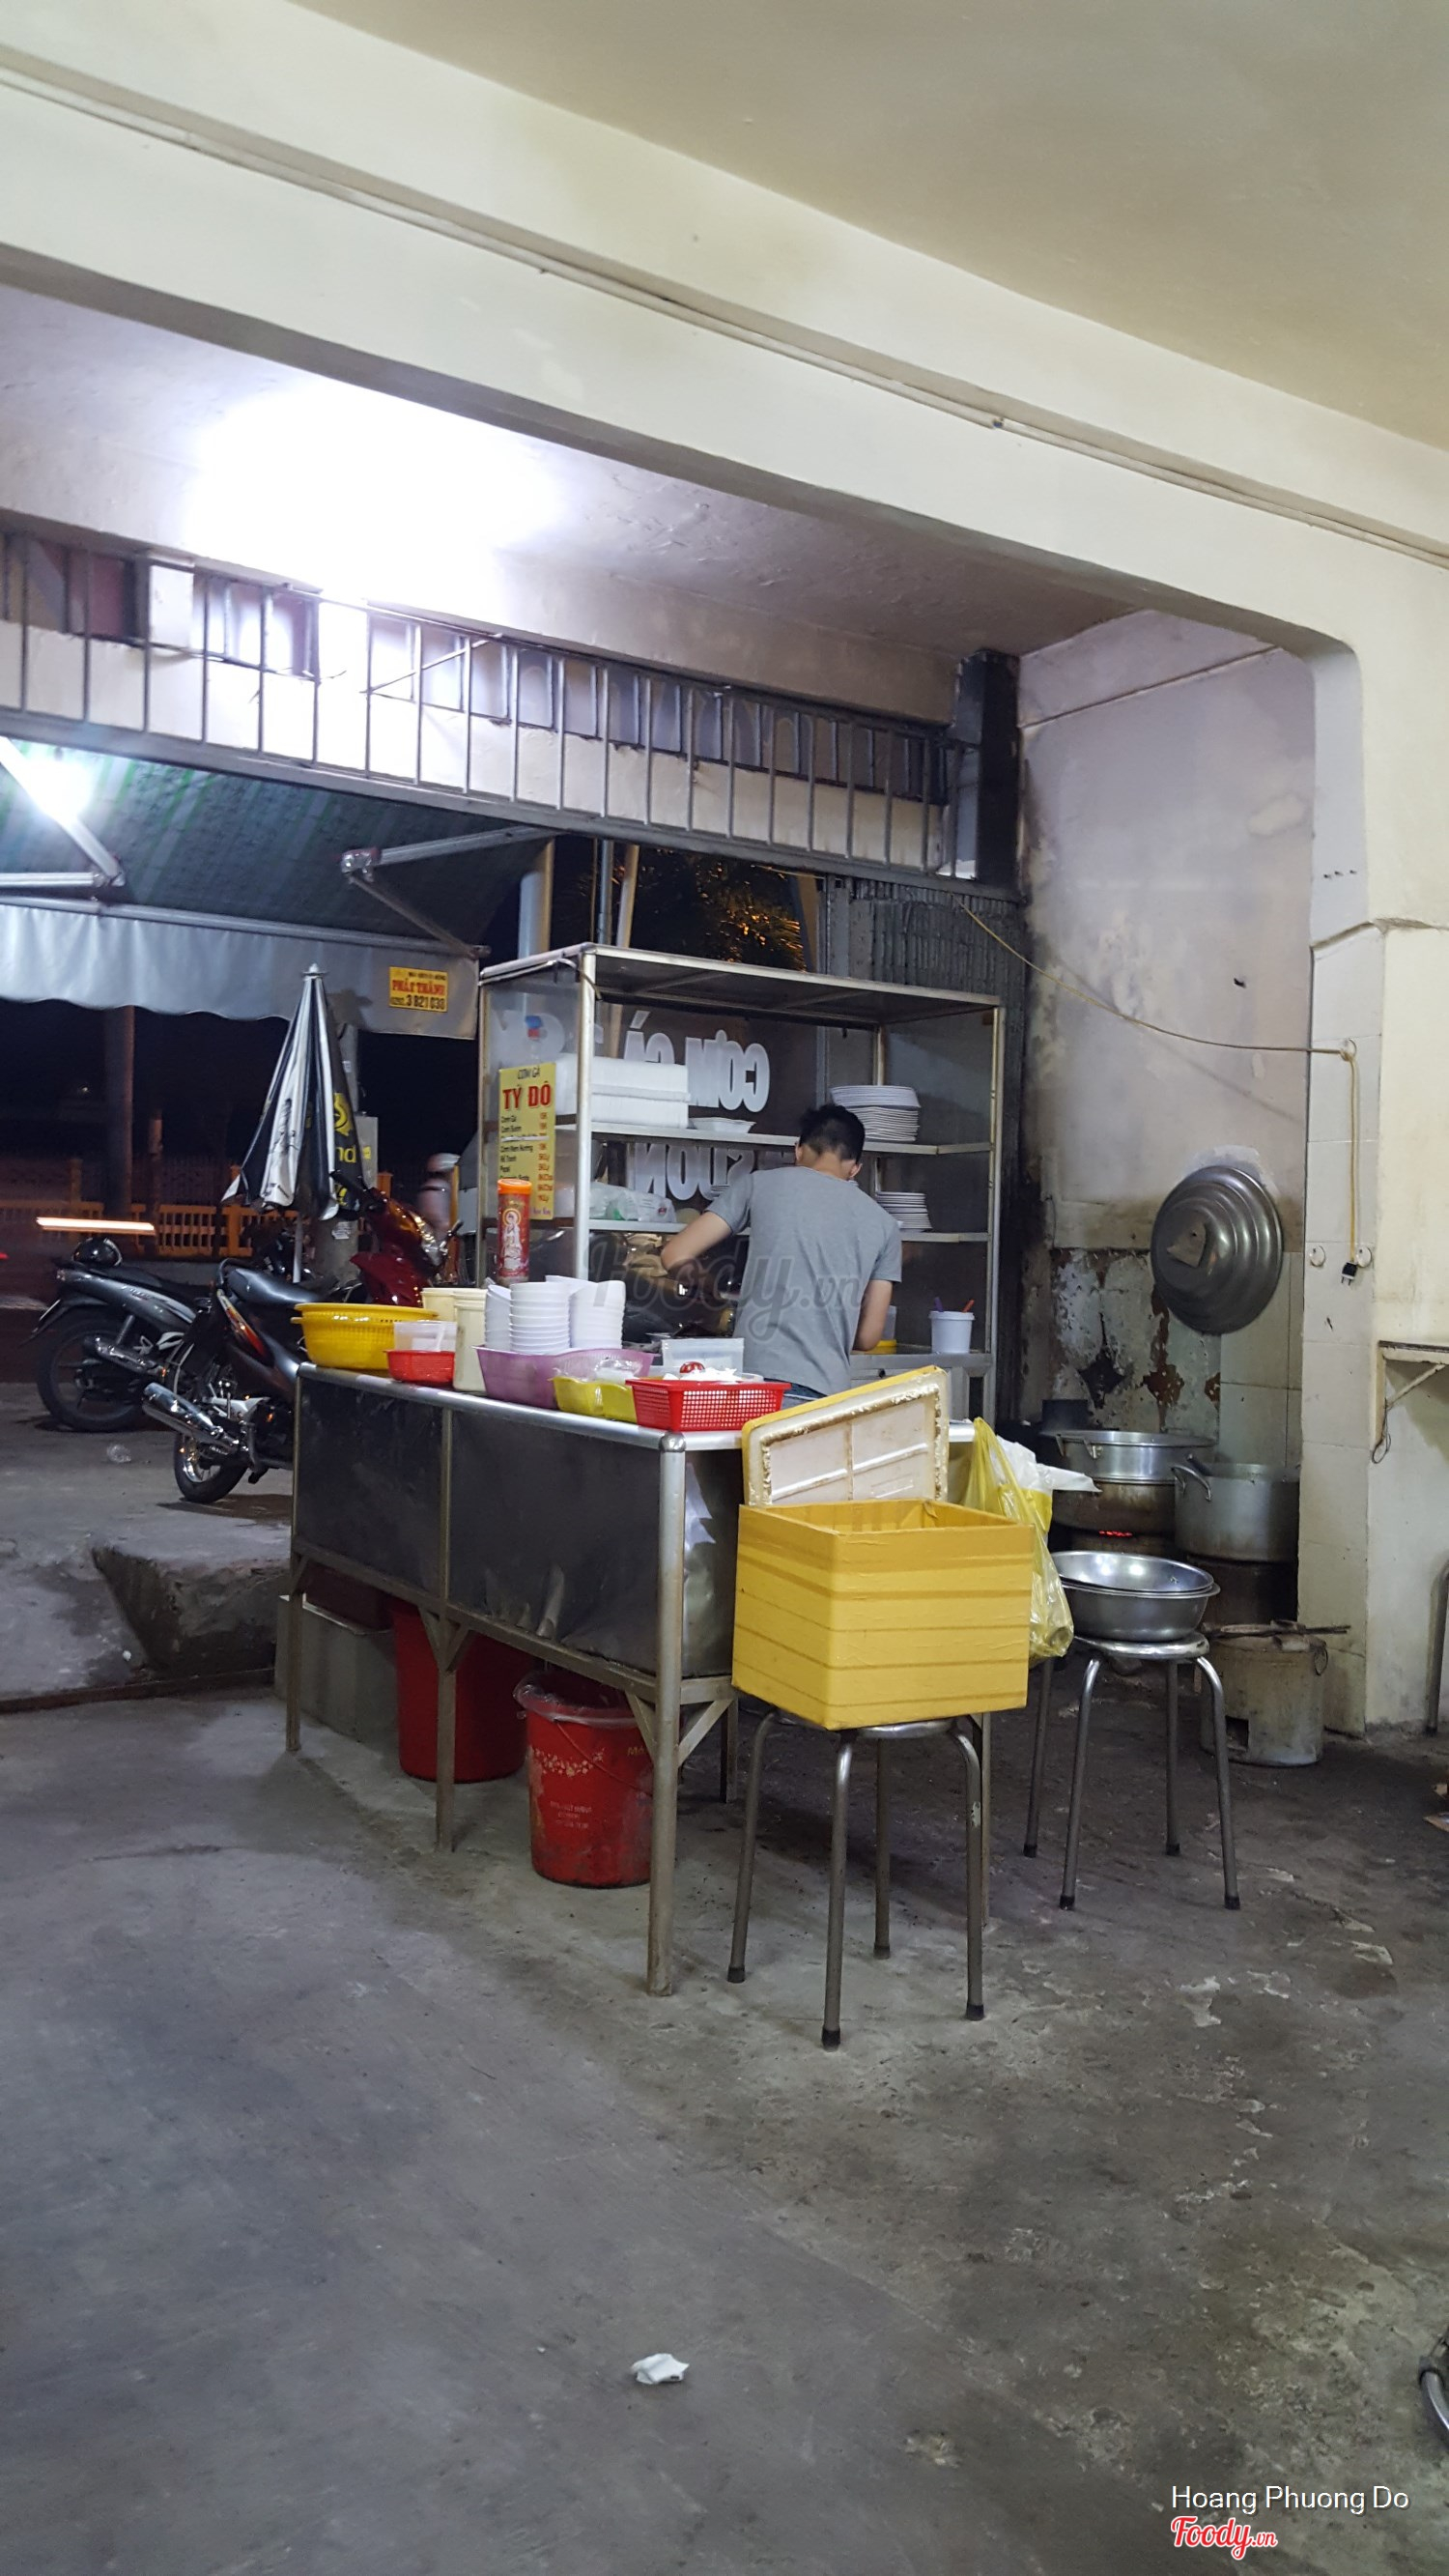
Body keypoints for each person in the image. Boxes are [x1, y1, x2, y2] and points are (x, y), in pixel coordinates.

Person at [660, 1103, 900, 1404]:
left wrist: (712, 1289)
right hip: (824, 1394)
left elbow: (675, 1253)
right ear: (854, 1169)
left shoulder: (758, 1184)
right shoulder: (885, 1226)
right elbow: (867, 1337)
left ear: (798, 1150)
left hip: (755, 1385)